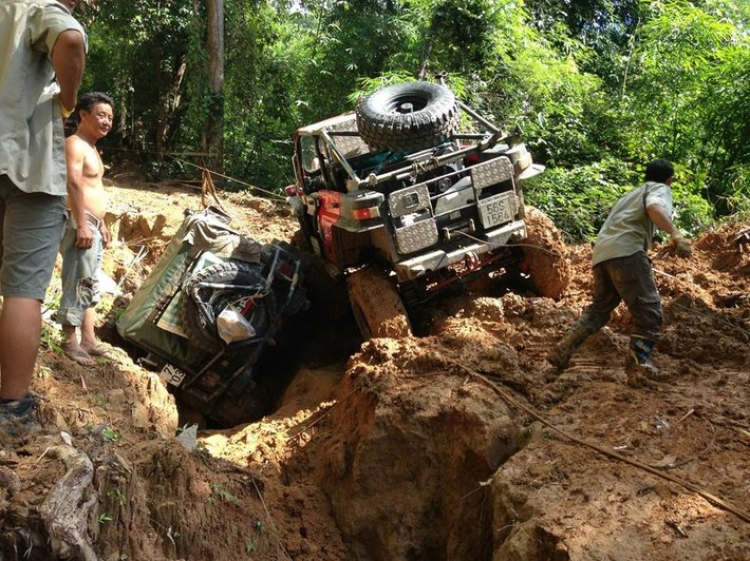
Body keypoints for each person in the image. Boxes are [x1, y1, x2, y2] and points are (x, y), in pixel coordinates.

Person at [0, 0, 86, 444]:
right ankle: (11, 409)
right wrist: (68, 102)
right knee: (22, 290)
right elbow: (69, 39)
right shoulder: (36, 9)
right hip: (27, 164)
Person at [546, 159, 692, 385]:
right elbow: (654, 207)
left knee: (599, 309)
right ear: (669, 180)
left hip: (602, 255)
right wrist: (675, 234)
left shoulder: (629, 196)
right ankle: (640, 367)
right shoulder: (660, 189)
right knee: (650, 313)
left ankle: (563, 349)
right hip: (627, 253)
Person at [57, 92, 115, 366]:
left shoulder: (92, 148)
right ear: (83, 114)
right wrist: (81, 222)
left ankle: (89, 339)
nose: (107, 121)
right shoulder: (75, 144)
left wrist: (100, 222)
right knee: (78, 279)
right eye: (101, 115)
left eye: (111, 118)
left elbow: (94, 187)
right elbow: (73, 183)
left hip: (92, 224)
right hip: (79, 222)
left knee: (91, 281)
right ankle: (70, 340)